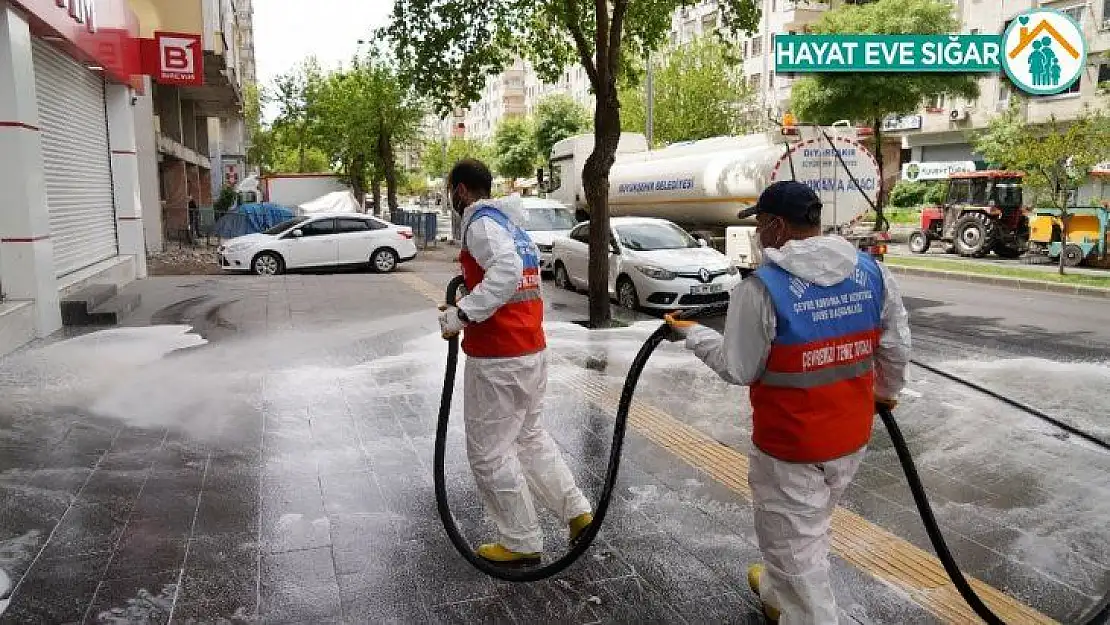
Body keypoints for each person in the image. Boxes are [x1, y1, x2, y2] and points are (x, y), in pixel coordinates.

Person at [665, 181, 911, 624]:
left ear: (777, 226)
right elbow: (895, 345)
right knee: (803, 531)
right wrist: (887, 394)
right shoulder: (871, 272)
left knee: (798, 552)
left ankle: (798, 600)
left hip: (790, 448)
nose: (758, 234)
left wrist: (690, 333)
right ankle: (778, 588)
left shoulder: (763, 289)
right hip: (850, 438)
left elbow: (738, 367)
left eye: (760, 223)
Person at [438, 159, 594, 566]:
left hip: (498, 357)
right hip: (528, 349)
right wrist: (469, 301)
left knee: (490, 453)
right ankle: (576, 511)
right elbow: (514, 276)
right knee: (529, 437)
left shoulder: (479, 224)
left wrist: (463, 313)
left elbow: (505, 272)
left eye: (449, 190)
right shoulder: (511, 226)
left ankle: (521, 540)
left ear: (460, 190)